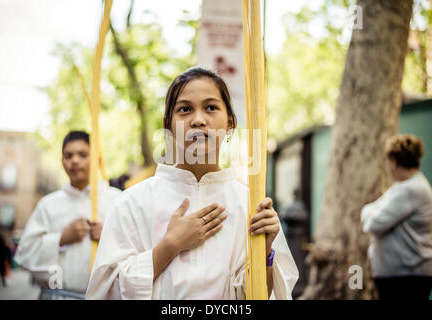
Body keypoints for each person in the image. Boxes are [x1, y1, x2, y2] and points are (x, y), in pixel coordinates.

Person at [86, 67, 298, 300]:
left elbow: (258, 297)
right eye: (185, 109)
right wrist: (169, 246)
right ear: (168, 125)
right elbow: (105, 292)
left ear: (230, 123)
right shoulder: (132, 202)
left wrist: (264, 251)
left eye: (211, 107)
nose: (198, 120)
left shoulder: (249, 205)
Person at [14, 131, 122, 296]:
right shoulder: (48, 204)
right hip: (56, 295)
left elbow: (137, 251)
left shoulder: (117, 200)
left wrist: (110, 236)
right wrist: (61, 239)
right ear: (62, 161)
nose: (75, 160)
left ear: (97, 159)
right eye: (68, 155)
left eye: (83, 154)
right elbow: (25, 254)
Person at [361, 134, 432, 300]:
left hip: (406, 277)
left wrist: (370, 214)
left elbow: (374, 224)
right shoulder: (403, 187)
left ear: (393, 162)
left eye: (386, 161)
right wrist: (370, 212)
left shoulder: (410, 189)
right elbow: (368, 209)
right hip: (401, 275)